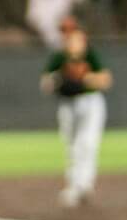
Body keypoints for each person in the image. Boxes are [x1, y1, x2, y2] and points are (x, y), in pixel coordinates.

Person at [43, 14, 111, 206]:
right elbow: (46, 83)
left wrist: (84, 79)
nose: (68, 36)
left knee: (88, 143)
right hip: (68, 104)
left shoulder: (90, 55)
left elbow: (106, 80)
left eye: (71, 31)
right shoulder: (59, 57)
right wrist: (58, 80)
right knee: (72, 146)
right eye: (64, 32)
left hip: (90, 102)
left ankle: (84, 185)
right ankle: (74, 185)